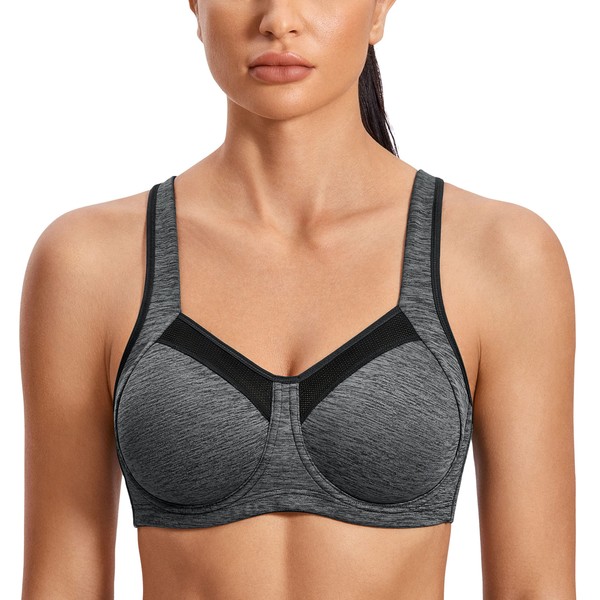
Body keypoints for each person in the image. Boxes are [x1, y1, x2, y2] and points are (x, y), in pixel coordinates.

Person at [20, 0, 576, 598]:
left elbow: (535, 588)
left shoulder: (501, 257)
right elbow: (62, 584)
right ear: (195, 6)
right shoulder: (88, 262)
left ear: (379, 10)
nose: (278, 19)